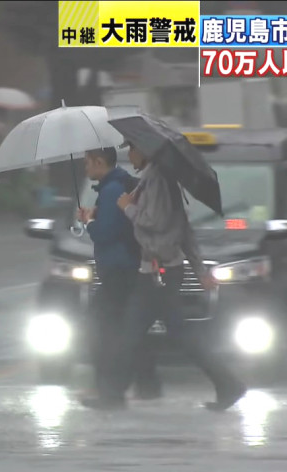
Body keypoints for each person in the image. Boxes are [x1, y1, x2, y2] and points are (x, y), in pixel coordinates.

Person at [80, 141, 247, 412]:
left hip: (159, 271)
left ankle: (112, 395)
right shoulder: (157, 180)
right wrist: (199, 269)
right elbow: (185, 230)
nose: (129, 155)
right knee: (156, 334)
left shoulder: (157, 181)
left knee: (133, 334)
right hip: (161, 270)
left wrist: (127, 208)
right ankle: (226, 384)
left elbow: (154, 223)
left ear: (145, 151)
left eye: (132, 149)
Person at [77, 147, 163, 401]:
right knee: (129, 328)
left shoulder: (112, 190)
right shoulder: (117, 185)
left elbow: (105, 233)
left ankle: (106, 387)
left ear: (99, 162)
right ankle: (148, 384)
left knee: (99, 327)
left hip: (118, 269)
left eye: (87, 163)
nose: (86, 168)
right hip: (126, 268)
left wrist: (89, 221)